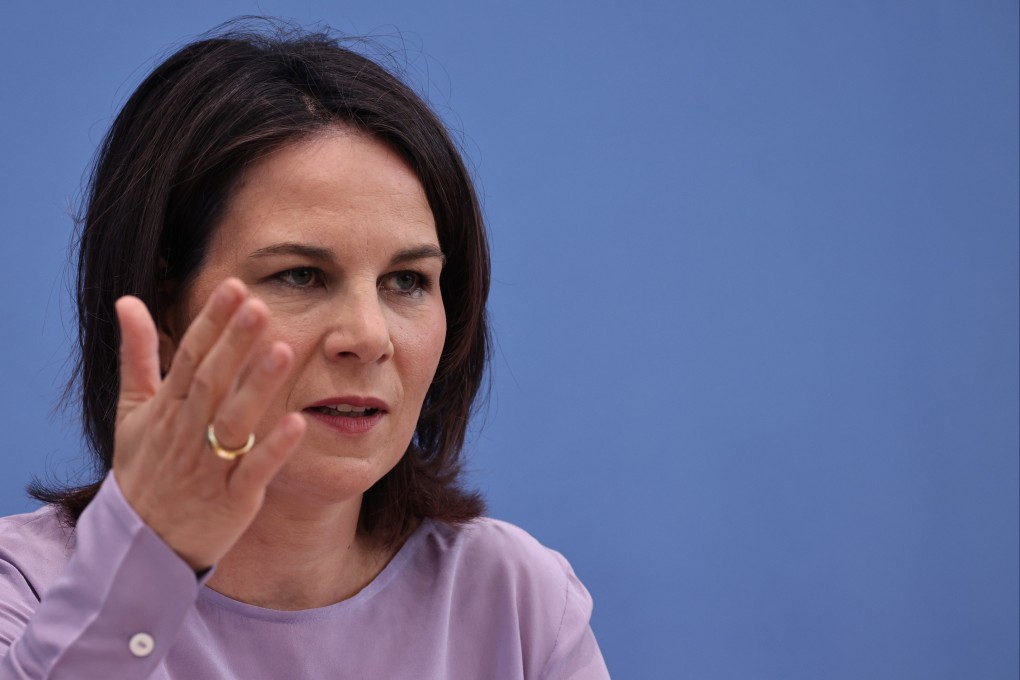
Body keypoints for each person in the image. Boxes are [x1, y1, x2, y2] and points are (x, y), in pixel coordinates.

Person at [0, 22, 609, 679]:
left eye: (406, 282)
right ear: (163, 306)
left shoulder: (520, 600)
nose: (370, 337)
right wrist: (146, 567)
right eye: (299, 275)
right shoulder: (23, 592)